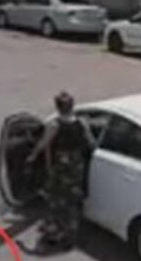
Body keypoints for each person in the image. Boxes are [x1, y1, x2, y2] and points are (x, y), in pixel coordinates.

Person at [26, 92, 95, 247]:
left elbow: (43, 143)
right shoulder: (82, 123)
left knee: (56, 200)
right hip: (76, 166)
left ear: (58, 107)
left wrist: (32, 155)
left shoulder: (55, 125)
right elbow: (91, 143)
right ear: (72, 106)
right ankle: (71, 234)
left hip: (61, 167)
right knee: (72, 201)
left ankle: (55, 233)